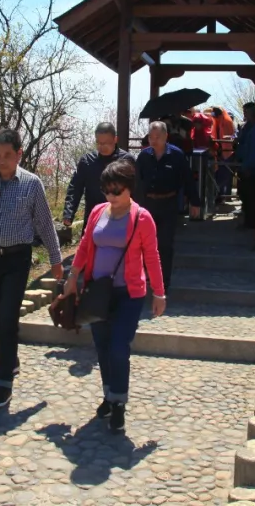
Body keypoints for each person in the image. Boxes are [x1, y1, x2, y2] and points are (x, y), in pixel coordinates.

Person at [64, 159, 166, 433]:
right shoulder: (98, 211)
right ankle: (109, 395)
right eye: (107, 190)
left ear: (129, 188)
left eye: (117, 191)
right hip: (98, 292)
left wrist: (159, 293)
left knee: (119, 347)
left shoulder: (141, 217)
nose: (111, 196)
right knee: (102, 346)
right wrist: (73, 277)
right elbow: (85, 246)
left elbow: (152, 257)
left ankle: (119, 402)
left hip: (128, 294)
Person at [0, 129, 63, 408]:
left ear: (18, 154)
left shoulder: (31, 184)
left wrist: (56, 259)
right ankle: (10, 359)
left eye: (7, 155)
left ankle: (4, 379)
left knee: (7, 317)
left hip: (17, 259)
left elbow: (44, 223)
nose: (2, 161)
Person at [134, 121, 201, 291]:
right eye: (151, 137)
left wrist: (194, 201)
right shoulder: (143, 157)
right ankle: (146, 277)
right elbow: (135, 183)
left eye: (157, 137)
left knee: (165, 244)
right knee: (144, 243)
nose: (154, 140)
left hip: (168, 203)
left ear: (165, 137)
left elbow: (187, 179)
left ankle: (164, 282)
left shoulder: (177, 155)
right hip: (147, 204)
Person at [62, 122, 134, 235]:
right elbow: (75, 187)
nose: (101, 147)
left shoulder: (126, 160)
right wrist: (68, 213)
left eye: (105, 143)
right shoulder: (87, 161)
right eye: (98, 143)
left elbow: (136, 190)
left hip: (120, 216)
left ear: (115, 139)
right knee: (88, 250)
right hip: (93, 216)